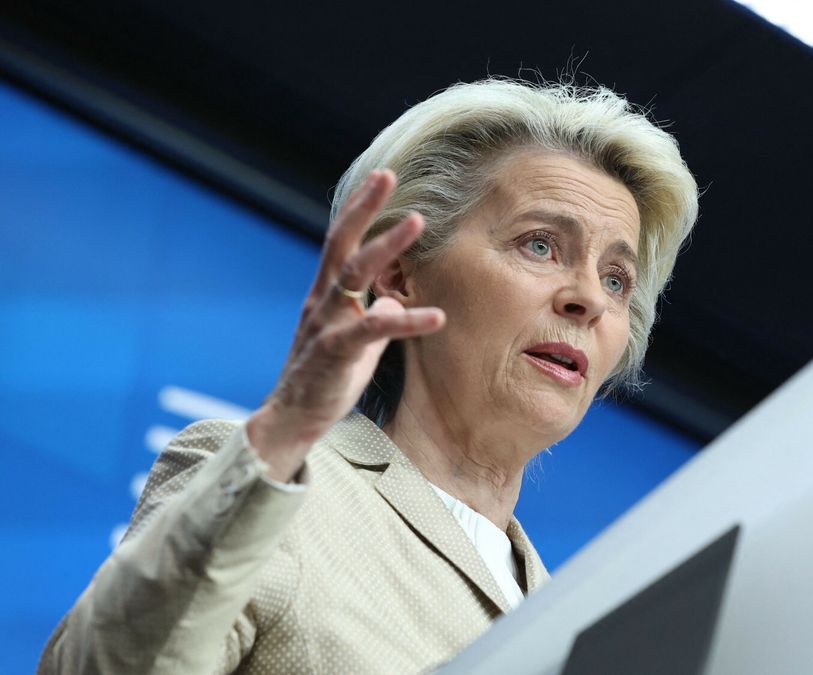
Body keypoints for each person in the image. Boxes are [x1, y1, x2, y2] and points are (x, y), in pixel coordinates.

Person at [38, 77, 699, 674]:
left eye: (616, 278)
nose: (588, 298)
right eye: (539, 244)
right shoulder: (272, 487)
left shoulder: (579, 620)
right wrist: (284, 430)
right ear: (399, 273)